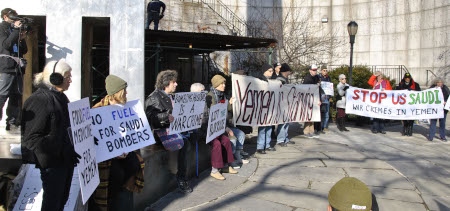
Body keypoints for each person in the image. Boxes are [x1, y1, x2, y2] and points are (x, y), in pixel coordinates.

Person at [21, 60, 80, 211]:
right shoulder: (40, 100)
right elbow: (32, 138)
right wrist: (55, 151)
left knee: (61, 200)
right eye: (68, 77)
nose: (70, 80)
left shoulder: (61, 98)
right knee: (52, 203)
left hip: (64, 160)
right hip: (53, 162)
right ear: (56, 78)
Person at [90, 75, 145, 211]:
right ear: (117, 92)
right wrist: (115, 153)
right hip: (106, 158)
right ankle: (110, 201)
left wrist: (126, 149)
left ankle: (120, 194)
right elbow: (98, 141)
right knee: (116, 174)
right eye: (124, 91)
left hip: (123, 152)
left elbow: (129, 132)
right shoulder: (98, 110)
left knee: (135, 163)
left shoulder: (126, 109)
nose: (126, 93)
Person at [144, 70, 193, 193]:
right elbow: (150, 117)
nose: (176, 84)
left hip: (172, 130)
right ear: (166, 83)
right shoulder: (154, 97)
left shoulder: (170, 96)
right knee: (185, 143)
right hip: (160, 134)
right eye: (173, 82)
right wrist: (165, 117)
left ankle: (181, 173)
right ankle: (181, 178)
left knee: (193, 135)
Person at [203, 75, 238, 180]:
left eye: (224, 83)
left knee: (226, 141)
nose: (224, 85)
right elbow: (211, 115)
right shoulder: (210, 97)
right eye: (222, 83)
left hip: (218, 128)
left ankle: (226, 166)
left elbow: (224, 111)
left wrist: (230, 104)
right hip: (208, 129)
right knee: (217, 144)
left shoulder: (222, 96)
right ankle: (214, 170)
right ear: (216, 84)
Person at [0, 8, 28, 131]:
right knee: (2, 95)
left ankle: (12, 122)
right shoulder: (2, 28)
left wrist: (21, 38)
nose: (14, 19)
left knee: (16, 96)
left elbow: (24, 50)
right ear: (5, 17)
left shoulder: (14, 29)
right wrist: (16, 30)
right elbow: (6, 45)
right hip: (6, 67)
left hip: (17, 68)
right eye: (12, 16)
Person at [252, 64, 276, 154]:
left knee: (269, 126)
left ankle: (267, 145)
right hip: (262, 107)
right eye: (270, 71)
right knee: (262, 127)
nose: (271, 72)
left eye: (272, 71)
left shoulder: (272, 81)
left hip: (269, 107)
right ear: (264, 71)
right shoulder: (260, 80)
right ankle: (260, 146)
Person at [275, 63, 295, 146]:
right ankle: (280, 139)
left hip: (286, 103)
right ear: (286, 71)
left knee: (286, 122)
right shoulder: (280, 79)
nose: (289, 73)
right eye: (289, 71)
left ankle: (285, 138)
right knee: (282, 122)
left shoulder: (284, 79)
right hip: (281, 103)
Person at [302, 64, 322, 138]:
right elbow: (305, 89)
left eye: (315, 70)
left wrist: (320, 99)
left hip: (315, 99)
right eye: (313, 70)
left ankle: (312, 130)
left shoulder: (317, 78)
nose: (315, 71)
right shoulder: (307, 78)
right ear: (310, 70)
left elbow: (319, 89)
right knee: (308, 115)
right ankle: (306, 130)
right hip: (308, 99)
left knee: (313, 115)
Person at [428, 78, 449, 142]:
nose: (439, 83)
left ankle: (442, 136)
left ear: (442, 83)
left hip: (443, 109)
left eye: (440, 82)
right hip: (434, 108)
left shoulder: (445, 88)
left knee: (442, 123)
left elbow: (448, 97)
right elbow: (427, 96)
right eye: (438, 82)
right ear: (435, 83)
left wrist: (446, 102)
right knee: (433, 122)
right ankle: (431, 136)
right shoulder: (432, 88)